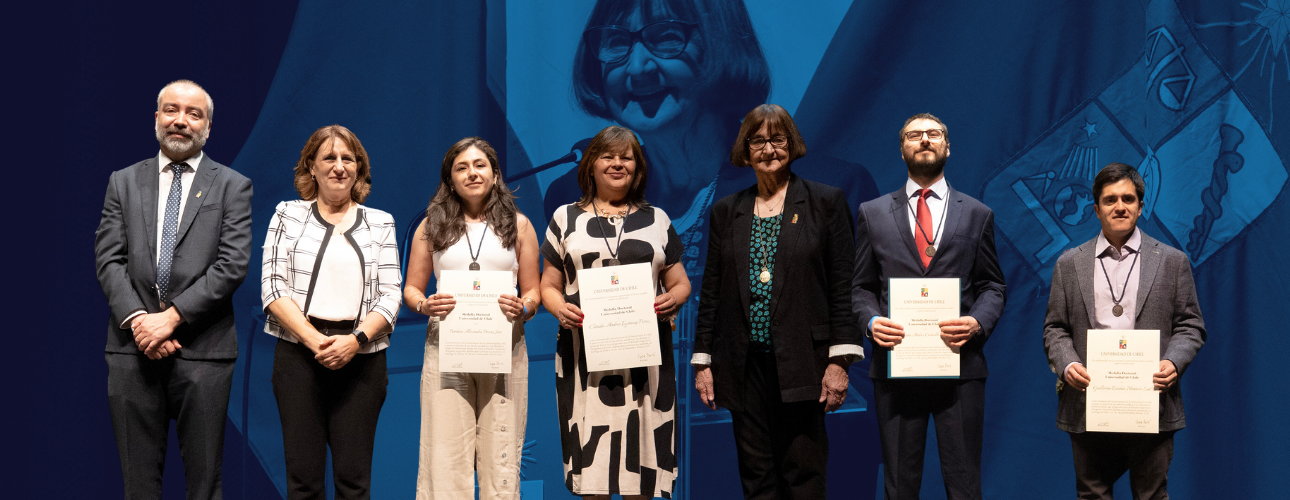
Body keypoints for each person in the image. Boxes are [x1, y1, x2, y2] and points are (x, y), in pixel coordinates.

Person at [692, 104, 862, 499]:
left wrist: (839, 362)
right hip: (743, 365)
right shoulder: (725, 211)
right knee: (757, 478)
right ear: (745, 150)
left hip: (805, 361)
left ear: (792, 144)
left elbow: (843, 286)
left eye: (777, 139)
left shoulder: (826, 202)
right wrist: (703, 362)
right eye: (758, 141)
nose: (768, 149)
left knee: (803, 474)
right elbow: (712, 292)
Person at [95, 79, 252, 499]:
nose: (180, 120)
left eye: (193, 113)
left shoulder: (233, 186)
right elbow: (108, 259)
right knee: (139, 485)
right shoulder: (123, 181)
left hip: (202, 350)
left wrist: (171, 319)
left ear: (208, 127)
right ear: (157, 118)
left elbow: (232, 264)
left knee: (204, 485)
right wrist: (141, 323)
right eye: (171, 110)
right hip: (133, 348)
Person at [851, 113, 1007, 499]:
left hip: (960, 366)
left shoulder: (976, 213)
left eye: (933, 134)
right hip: (896, 367)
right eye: (914, 135)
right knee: (900, 486)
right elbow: (860, 287)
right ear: (902, 148)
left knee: (964, 483)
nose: (925, 140)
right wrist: (871, 323)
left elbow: (993, 286)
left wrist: (976, 322)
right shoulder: (872, 213)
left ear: (947, 147)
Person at [540, 125, 691, 499]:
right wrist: (559, 308)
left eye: (626, 157)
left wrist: (676, 298)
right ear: (591, 164)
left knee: (642, 471)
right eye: (608, 156)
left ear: (638, 168)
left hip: (646, 362)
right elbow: (547, 285)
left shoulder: (658, 219)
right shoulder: (565, 218)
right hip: (585, 361)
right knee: (595, 471)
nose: (617, 163)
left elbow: (680, 282)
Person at [1043, 162, 1205, 499]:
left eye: (1128, 199)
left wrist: (1173, 363)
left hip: (1151, 400)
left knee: (1151, 495)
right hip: (1089, 402)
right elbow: (1055, 328)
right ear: (1096, 209)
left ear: (1141, 207)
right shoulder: (1069, 263)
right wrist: (1068, 365)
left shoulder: (1172, 261)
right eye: (1110, 200)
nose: (1120, 207)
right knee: (1092, 495)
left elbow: (1190, 325)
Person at [260, 125, 401, 499]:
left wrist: (353, 342)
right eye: (329, 158)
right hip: (299, 355)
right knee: (303, 482)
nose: (339, 167)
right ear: (311, 167)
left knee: (354, 483)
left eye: (348, 159)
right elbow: (273, 288)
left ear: (359, 169)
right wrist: (315, 341)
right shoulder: (287, 216)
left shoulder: (381, 222)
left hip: (362, 356)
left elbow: (390, 296)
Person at [403, 137, 541, 499]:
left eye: (480, 165)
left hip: (504, 348)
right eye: (461, 167)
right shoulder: (431, 226)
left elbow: (534, 292)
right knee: (444, 458)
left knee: (502, 455)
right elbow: (412, 290)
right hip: (446, 349)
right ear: (450, 180)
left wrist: (523, 308)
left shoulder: (520, 226)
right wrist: (424, 305)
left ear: (495, 175)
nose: (472, 173)